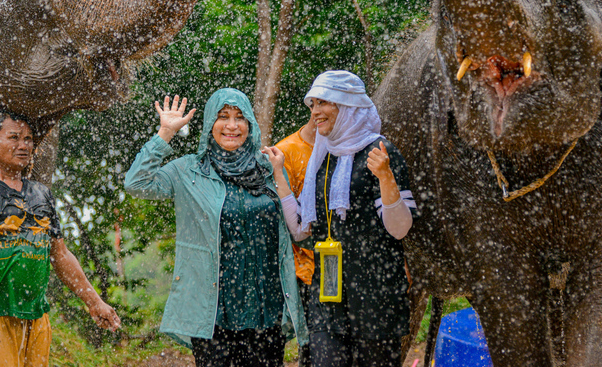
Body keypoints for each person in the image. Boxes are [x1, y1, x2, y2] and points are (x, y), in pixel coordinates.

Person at [124, 89, 307, 367]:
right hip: (213, 310)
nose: (232, 126)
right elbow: (136, 184)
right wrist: (165, 133)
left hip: (266, 306)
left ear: (250, 125)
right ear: (211, 123)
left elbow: (296, 224)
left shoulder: (270, 168)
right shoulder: (189, 171)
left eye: (240, 118)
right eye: (223, 117)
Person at [0, 111, 120, 367]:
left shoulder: (42, 195)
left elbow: (60, 254)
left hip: (37, 316)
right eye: (15, 137)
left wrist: (95, 302)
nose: (24, 145)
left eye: (29, 139)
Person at [280, 71, 417, 367]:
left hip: (375, 296)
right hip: (328, 296)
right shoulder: (322, 157)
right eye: (313, 104)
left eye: (323, 103)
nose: (315, 112)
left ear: (348, 106)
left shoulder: (380, 152)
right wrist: (279, 174)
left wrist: (386, 177)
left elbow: (400, 229)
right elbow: (301, 230)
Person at [275, 112, 316, 367]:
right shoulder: (286, 151)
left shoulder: (348, 147)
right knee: (309, 346)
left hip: (343, 267)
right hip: (299, 270)